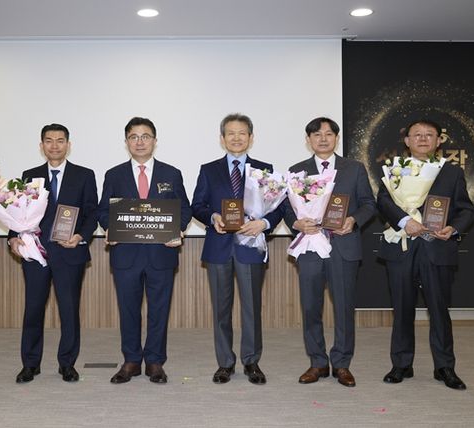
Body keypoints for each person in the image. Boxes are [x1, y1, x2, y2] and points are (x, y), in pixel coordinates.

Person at [378, 119, 474, 390]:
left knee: (439, 310)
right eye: (417, 135)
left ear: (439, 140)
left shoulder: (451, 172)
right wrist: (404, 222)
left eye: (429, 135)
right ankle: (401, 364)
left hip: (437, 248)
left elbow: (466, 210)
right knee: (402, 309)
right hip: (403, 247)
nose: (422, 139)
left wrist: (454, 228)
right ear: (407, 140)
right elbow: (383, 201)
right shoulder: (394, 168)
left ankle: (445, 367)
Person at [191, 113, 284, 385]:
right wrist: (212, 217)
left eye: (242, 133)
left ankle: (251, 361)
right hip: (219, 247)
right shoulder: (208, 170)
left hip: (250, 247)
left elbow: (279, 207)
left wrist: (263, 224)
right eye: (230, 133)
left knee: (252, 308)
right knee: (221, 309)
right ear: (222, 138)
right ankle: (225, 363)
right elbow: (197, 205)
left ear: (251, 138)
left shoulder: (264, 170)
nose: (236, 138)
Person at [98, 117, 192, 384]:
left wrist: (178, 229)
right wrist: (109, 227)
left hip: (161, 254)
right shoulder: (114, 174)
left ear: (155, 141)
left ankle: (154, 361)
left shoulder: (171, 174)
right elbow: (103, 211)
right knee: (128, 309)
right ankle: (131, 360)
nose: (140, 142)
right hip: (125, 255)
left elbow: (184, 209)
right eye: (134, 137)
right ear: (126, 141)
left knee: (159, 310)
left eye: (145, 136)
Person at [284, 117, 376, 387]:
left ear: (336, 138)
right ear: (308, 140)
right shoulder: (297, 171)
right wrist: (296, 223)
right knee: (311, 306)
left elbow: (368, 204)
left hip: (343, 246)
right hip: (311, 246)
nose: (323, 139)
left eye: (328, 134)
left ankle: (342, 363)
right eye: (316, 134)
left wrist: (354, 220)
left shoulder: (354, 168)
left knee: (344, 308)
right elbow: (287, 208)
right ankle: (317, 362)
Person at [8, 124, 98, 383]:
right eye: (49, 140)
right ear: (41, 145)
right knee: (33, 309)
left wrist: (80, 236)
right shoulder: (30, 176)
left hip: (70, 253)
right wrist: (12, 237)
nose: (55, 145)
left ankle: (67, 364)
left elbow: (92, 212)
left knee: (69, 310)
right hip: (35, 252)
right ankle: (30, 364)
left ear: (68, 145)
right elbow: (18, 212)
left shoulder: (84, 175)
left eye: (60, 140)